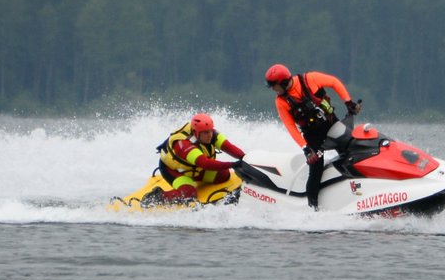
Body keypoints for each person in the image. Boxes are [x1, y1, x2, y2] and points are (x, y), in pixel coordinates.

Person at [264, 63, 361, 208]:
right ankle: (313, 208)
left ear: (283, 82)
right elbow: (290, 126)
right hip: (312, 136)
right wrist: (306, 148)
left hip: (331, 125)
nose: (273, 89)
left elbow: (334, 82)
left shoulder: (310, 79)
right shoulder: (281, 102)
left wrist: (348, 102)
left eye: (274, 85)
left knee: (351, 152)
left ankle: (358, 190)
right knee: (316, 170)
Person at [143, 112, 245, 206]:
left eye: (210, 131)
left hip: (194, 168)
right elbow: (204, 163)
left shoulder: (211, 134)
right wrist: (232, 164)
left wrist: (245, 158)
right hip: (174, 171)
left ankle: (193, 180)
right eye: (205, 133)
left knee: (223, 174)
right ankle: (158, 196)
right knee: (189, 193)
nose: (209, 135)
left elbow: (230, 148)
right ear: (196, 132)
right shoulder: (183, 144)